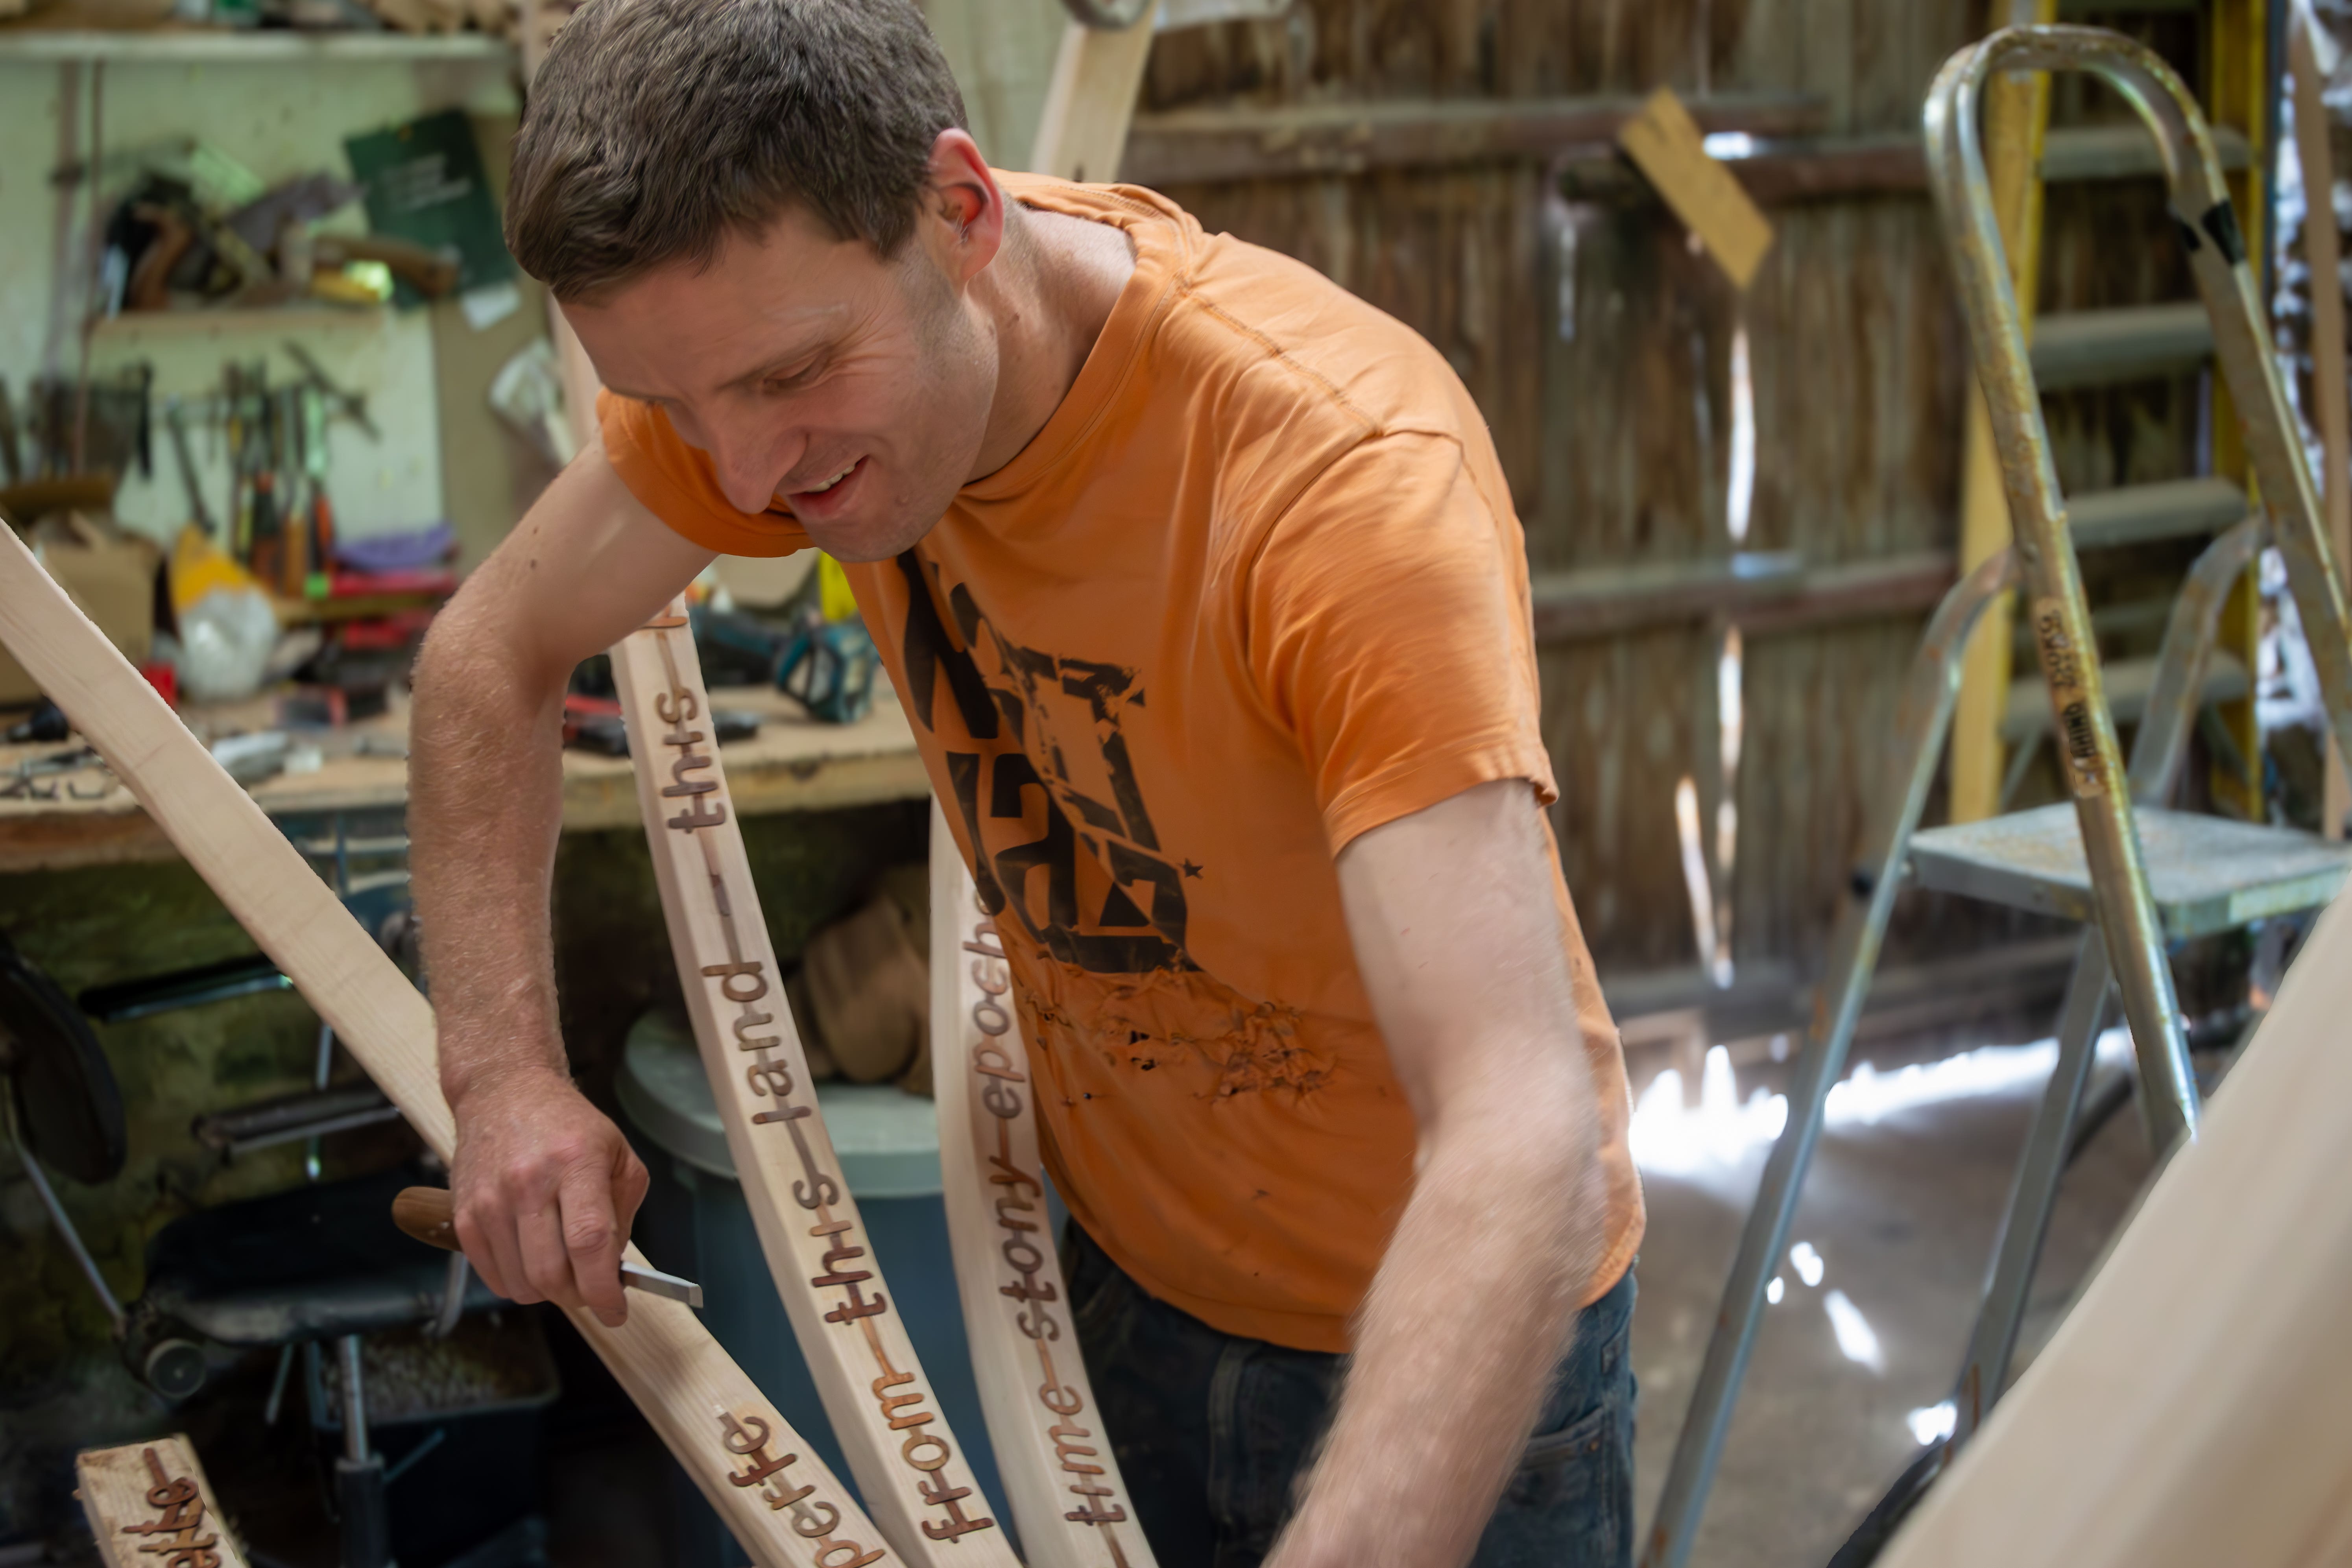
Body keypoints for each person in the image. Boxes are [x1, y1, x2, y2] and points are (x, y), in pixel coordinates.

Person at [406, 0, 1645, 1562]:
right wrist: (504, 1075)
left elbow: (1517, 1122)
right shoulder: (765, 384)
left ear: (962, 213)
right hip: (1128, 1289)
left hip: (1456, 1347)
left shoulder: (1332, 484)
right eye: (675, 406)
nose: (740, 481)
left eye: (792, 376)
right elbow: (482, 663)